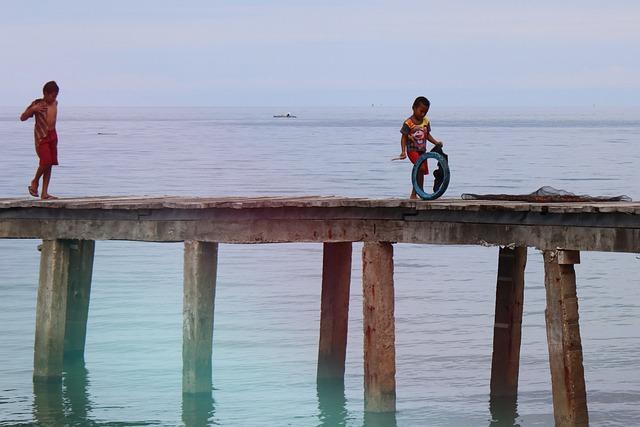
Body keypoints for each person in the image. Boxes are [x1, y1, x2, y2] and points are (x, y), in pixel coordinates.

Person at [396, 96, 444, 199]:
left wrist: (436, 142)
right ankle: (414, 194)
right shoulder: (408, 123)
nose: (423, 114)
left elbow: (427, 135)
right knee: (420, 168)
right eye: (421, 111)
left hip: (422, 151)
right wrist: (403, 151)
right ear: (413, 108)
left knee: (421, 172)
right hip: (412, 150)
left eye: (425, 112)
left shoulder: (426, 121)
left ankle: (420, 192)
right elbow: (403, 137)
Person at [21, 81, 59, 200]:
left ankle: (44, 193)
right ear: (45, 93)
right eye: (52, 95)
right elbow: (23, 117)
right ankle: (34, 182)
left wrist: (54, 100)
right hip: (42, 136)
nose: (54, 98)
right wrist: (33, 109)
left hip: (53, 136)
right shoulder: (38, 104)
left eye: (56, 95)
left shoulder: (55, 103)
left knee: (49, 164)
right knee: (45, 161)